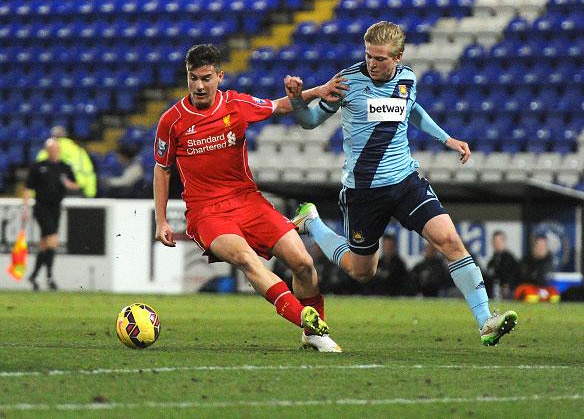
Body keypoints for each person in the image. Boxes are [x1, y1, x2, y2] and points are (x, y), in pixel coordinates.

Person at [286, 21, 517, 346]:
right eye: (369, 56)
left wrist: (446, 138)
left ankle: (486, 321)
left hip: (406, 181)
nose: (372, 63)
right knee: (361, 270)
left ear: (398, 57)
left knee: (449, 241)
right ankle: (312, 221)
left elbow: (411, 109)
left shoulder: (408, 78)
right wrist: (297, 100)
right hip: (364, 193)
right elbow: (308, 122)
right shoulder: (346, 82)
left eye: (380, 58)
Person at [153, 44, 347, 352]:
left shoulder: (236, 104)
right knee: (246, 258)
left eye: (206, 78)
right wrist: (161, 219)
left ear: (220, 76)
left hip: (247, 201)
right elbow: (162, 170)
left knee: (304, 263)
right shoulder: (172, 121)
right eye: (193, 78)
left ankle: (313, 335)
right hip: (207, 213)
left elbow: (278, 106)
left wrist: (317, 91)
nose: (199, 86)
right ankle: (304, 318)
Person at [23, 139, 79, 290]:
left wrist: (69, 184)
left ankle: (34, 276)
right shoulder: (39, 166)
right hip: (41, 208)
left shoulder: (65, 167)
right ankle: (50, 277)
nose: (54, 151)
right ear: (47, 150)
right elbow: (28, 188)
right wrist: (26, 208)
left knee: (44, 244)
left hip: (56, 208)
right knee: (52, 239)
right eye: (51, 149)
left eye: (56, 149)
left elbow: (76, 184)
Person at [36, 125, 97, 198]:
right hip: (76, 191)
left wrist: (34, 195)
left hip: (51, 192)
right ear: (66, 136)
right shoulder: (79, 151)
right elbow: (89, 173)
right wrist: (90, 193)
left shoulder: (45, 152)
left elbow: (36, 175)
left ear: (52, 137)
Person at [486, 230, 521, 299]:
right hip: (494, 290)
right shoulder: (493, 259)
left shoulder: (509, 258)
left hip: (508, 292)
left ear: (504, 242)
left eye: (499, 241)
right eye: (495, 242)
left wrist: (507, 285)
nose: (497, 244)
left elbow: (514, 276)